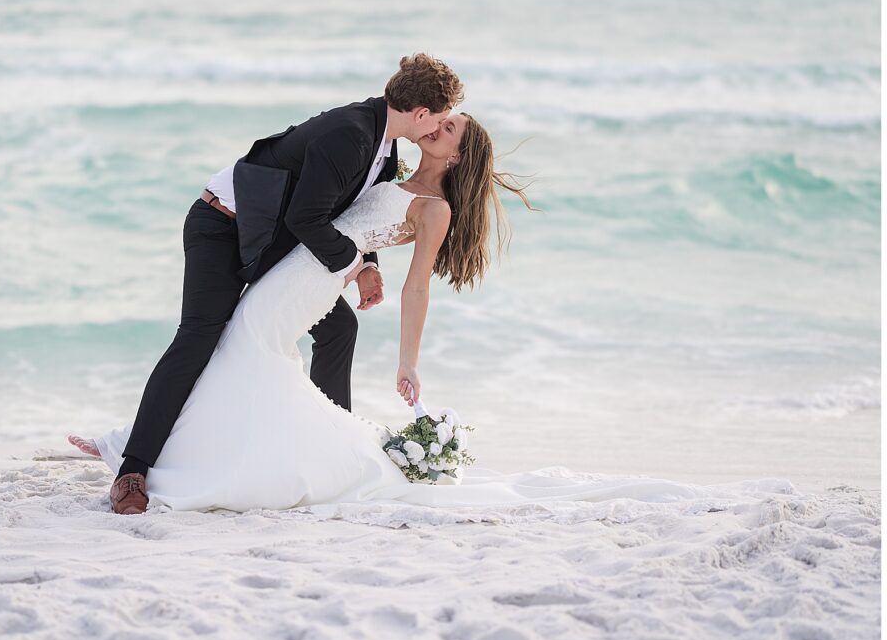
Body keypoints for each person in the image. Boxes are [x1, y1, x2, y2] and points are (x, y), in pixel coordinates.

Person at [71, 113, 711, 512]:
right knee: (241, 349)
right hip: (306, 267)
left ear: (456, 156)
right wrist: (363, 263)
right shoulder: (395, 165)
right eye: (443, 118)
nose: (440, 126)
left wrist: (408, 362)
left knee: (245, 346)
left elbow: (417, 290)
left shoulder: (435, 210)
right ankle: (160, 451)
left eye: (452, 129)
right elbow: (342, 218)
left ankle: (160, 456)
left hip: (312, 279)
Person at [86, 54, 464, 514]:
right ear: (421, 114)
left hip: (272, 241)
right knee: (200, 336)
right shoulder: (352, 133)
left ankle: (329, 445)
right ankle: (134, 468)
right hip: (223, 227)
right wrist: (353, 266)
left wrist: (367, 264)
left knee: (339, 329)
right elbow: (305, 217)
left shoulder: (385, 148)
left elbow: (352, 213)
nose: (438, 128)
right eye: (441, 120)